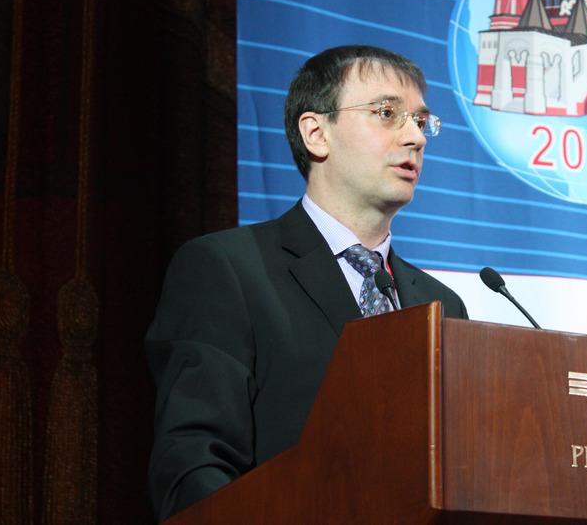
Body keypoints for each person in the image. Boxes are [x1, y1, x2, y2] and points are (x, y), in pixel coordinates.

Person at [145, 45, 468, 522]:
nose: (414, 137)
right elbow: (193, 466)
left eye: (421, 121)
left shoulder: (444, 305)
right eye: (387, 114)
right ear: (316, 133)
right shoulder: (227, 270)